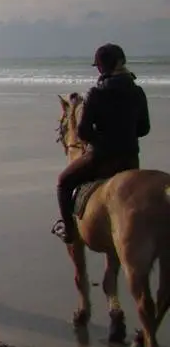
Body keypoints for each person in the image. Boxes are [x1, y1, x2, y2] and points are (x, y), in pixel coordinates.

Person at [52, 43, 150, 244]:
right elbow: (144, 129)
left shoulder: (95, 94)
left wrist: (102, 140)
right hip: (130, 160)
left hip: (101, 158)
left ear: (101, 67)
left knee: (63, 182)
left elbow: (83, 132)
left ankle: (69, 232)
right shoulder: (138, 92)